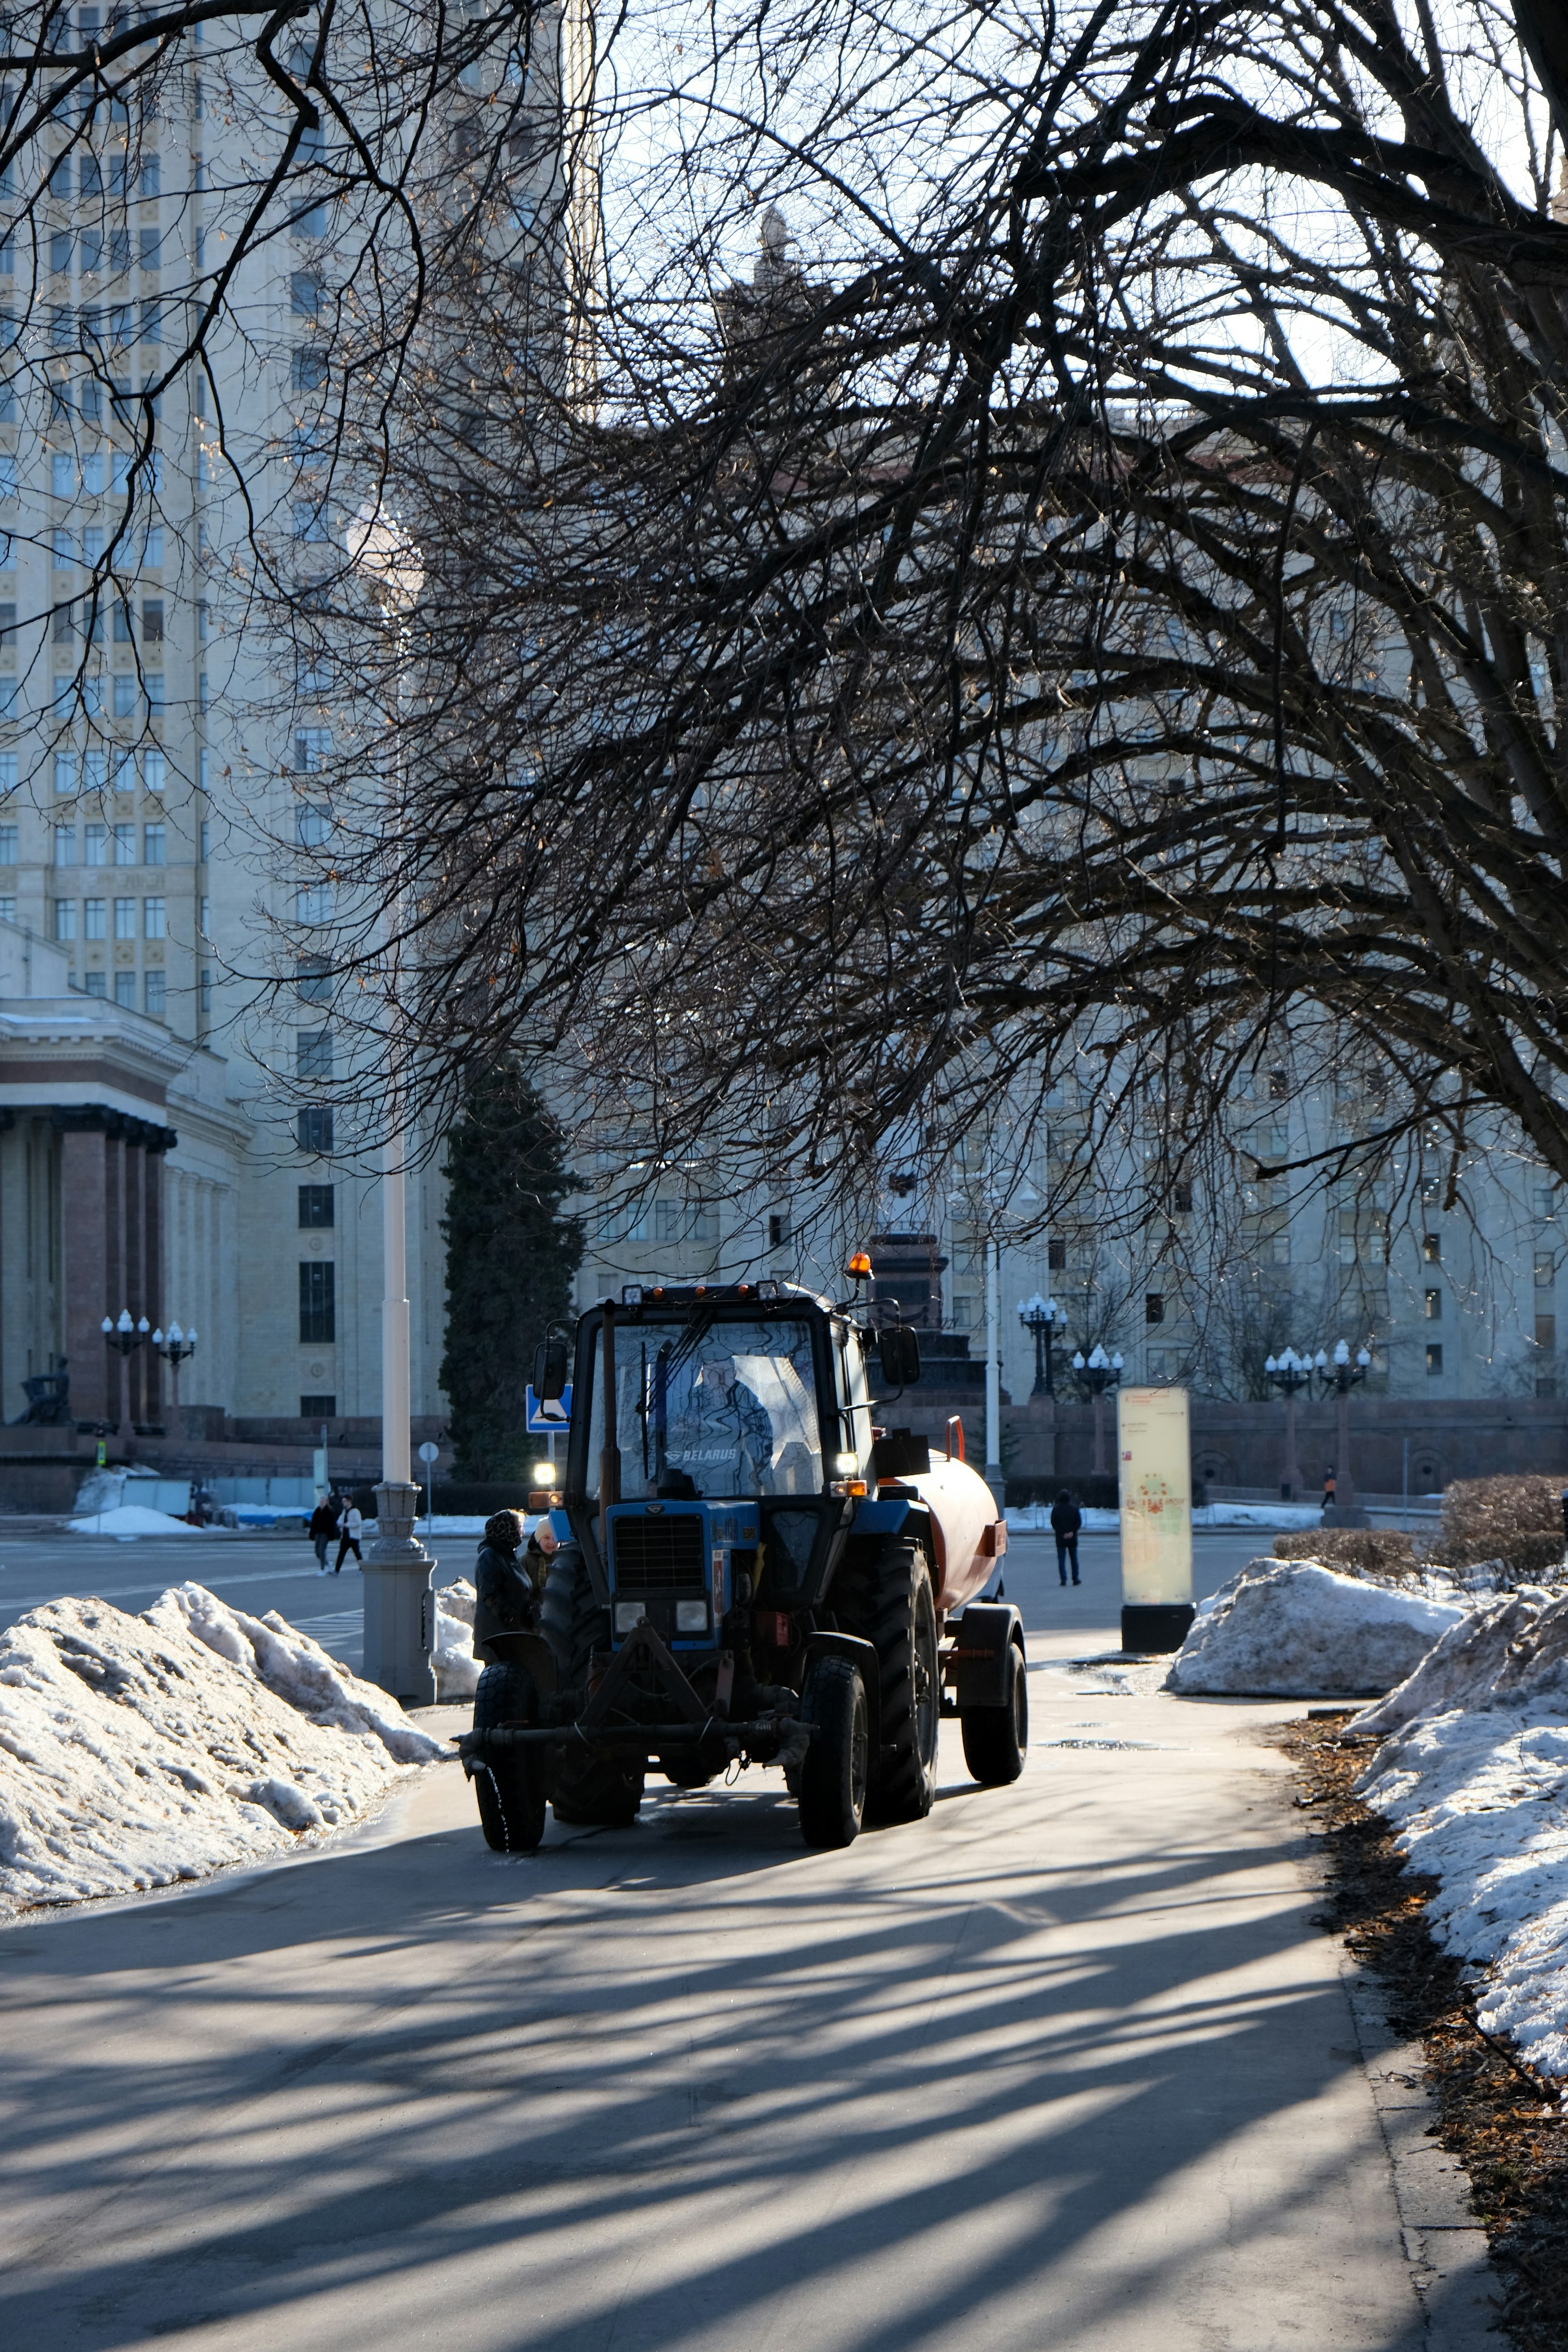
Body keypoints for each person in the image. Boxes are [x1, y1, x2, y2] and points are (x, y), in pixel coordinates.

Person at [472, 1509, 542, 1661]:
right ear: (506, 1530)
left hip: (511, 1635)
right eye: (519, 1528)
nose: (522, 1532)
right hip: (498, 1637)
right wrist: (511, 1617)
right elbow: (489, 1592)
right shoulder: (490, 1556)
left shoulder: (507, 1555)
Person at [1050, 1487, 1082, 1587]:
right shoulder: (1074, 1509)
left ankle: (1063, 1580)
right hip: (1072, 1538)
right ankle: (1075, 1578)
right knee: (1074, 1560)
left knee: (1062, 1560)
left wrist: (1063, 1532)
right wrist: (1072, 1532)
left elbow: (1054, 1523)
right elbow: (1078, 1522)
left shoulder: (1056, 1509)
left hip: (1061, 1538)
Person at [309, 1493, 339, 1573]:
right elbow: (313, 1524)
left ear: (326, 1502)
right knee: (317, 1552)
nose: (322, 1503)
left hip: (325, 1534)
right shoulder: (317, 1511)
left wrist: (331, 1535)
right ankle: (327, 1563)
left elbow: (332, 1525)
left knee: (322, 1550)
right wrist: (312, 1534)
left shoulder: (329, 1512)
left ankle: (323, 1569)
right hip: (317, 1533)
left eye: (323, 1501)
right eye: (321, 1501)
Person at [334, 1499, 364, 1572]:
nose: (343, 1503)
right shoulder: (345, 1512)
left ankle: (363, 1568)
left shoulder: (355, 1511)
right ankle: (336, 1570)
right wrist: (339, 1525)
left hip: (353, 1537)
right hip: (345, 1537)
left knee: (357, 1554)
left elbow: (358, 1523)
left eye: (345, 1501)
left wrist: (346, 1525)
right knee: (341, 1554)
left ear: (349, 1501)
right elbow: (340, 1520)